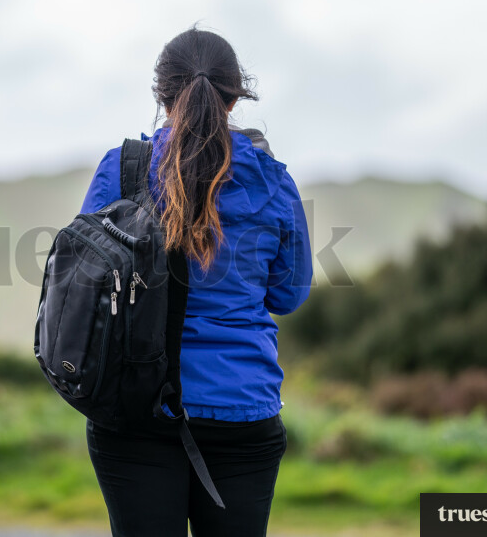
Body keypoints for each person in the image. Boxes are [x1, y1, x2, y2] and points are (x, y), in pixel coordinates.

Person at [79, 27, 313, 536]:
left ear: (162, 94)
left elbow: (88, 288)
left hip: (135, 408)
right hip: (242, 408)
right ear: (235, 97)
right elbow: (288, 295)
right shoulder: (272, 180)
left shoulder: (121, 171)